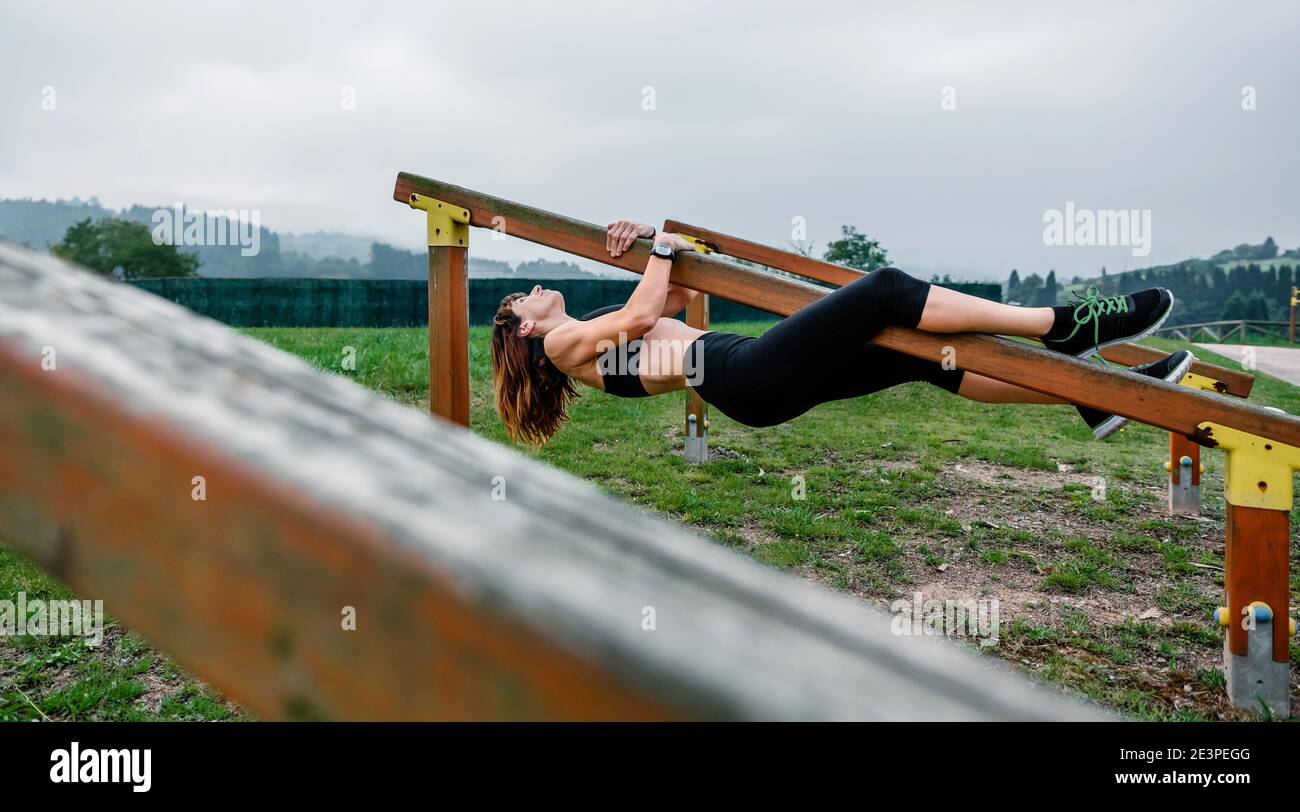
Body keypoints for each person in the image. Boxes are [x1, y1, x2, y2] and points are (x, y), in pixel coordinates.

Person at [490, 219, 1190, 445]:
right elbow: (647, 311)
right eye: (526, 298)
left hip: (749, 380)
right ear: (525, 333)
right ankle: (1061, 328)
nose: (537, 292)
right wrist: (665, 242)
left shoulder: (583, 340)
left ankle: (1105, 394)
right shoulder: (561, 345)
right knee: (884, 289)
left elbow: (658, 297)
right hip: (744, 373)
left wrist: (650, 239)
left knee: (926, 360)